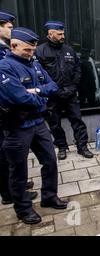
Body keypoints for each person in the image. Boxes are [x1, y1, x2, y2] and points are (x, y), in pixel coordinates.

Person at [0, 27, 68, 225]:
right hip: (17, 126)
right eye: (27, 50)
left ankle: (49, 197)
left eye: (33, 50)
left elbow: (53, 86)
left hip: (38, 123)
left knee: (50, 160)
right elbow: (17, 97)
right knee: (18, 170)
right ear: (14, 46)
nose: (31, 54)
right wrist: (40, 98)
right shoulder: (5, 67)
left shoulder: (34, 64)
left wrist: (36, 90)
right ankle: (22, 209)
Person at [35, 21, 94, 160]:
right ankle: (62, 147)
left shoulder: (69, 50)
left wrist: (73, 87)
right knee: (54, 123)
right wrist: (51, 90)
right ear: (51, 34)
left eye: (63, 33)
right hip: (52, 95)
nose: (63, 36)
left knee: (77, 121)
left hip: (70, 93)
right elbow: (38, 74)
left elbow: (78, 69)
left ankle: (82, 147)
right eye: (60, 34)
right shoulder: (40, 51)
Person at [0, 11, 37, 205]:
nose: (11, 30)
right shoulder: (4, 56)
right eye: (8, 26)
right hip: (6, 110)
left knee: (13, 157)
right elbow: (18, 92)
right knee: (6, 155)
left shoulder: (7, 49)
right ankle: (9, 193)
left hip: (17, 111)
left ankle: (15, 188)